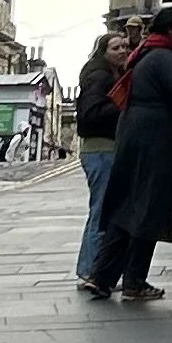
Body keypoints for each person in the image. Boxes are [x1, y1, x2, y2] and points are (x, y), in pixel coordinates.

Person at [81, 8, 172, 304]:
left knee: (125, 209)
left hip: (134, 138)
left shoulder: (146, 52)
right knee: (148, 209)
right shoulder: (163, 56)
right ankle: (135, 282)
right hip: (155, 142)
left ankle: (101, 278)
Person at [73, 26, 131, 284]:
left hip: (104, 149)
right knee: (101, 211)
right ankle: (90, 269)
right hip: (100, 149)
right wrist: (121, 106)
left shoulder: (109, 74)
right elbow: (90, 113)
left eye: (124, 47)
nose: (122, 51)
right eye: (116, 47)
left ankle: (94, 269)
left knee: (103, 210)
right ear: (103, 52)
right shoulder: (99, 77)